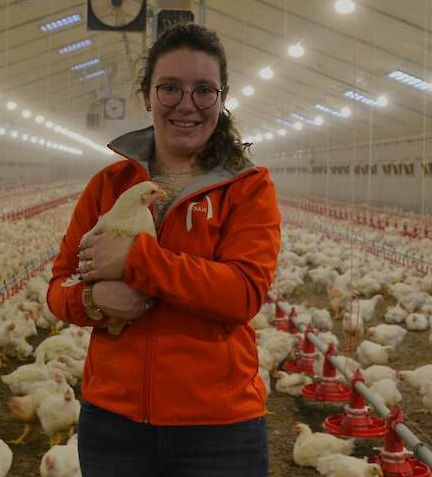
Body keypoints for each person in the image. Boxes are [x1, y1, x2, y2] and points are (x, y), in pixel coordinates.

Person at [46, 23, 281, 476]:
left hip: (219, 428)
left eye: (203, 90)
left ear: (222, 96)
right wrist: (92, 300)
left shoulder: (247, 188)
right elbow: (59, 286)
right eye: (170, 88)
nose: (186, 104)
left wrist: (135, 262)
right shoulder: (108, 186)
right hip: (114, 422)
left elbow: (242, 294)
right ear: (147, 94)